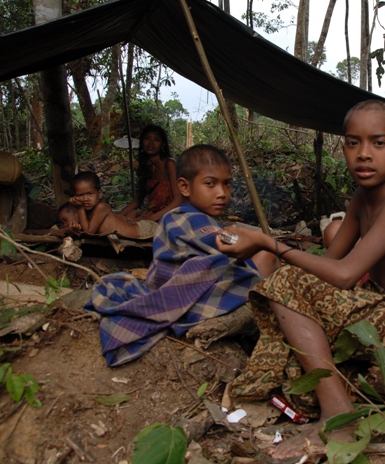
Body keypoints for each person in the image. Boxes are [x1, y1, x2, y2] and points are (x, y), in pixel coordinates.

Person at [215, 100, 385, 460]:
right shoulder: (362, 200)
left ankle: (340, 417)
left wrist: (269, 242)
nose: (364, 154)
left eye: (378, 143)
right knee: (295, 366)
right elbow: (328, 266)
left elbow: (345, 275)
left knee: (287, 285)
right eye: (353, 143)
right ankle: (328, 403)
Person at [85, 144, 275, 366]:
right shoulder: (181, 217)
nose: (222, 193)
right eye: (210, 184)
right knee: (265, 254)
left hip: (195, 289)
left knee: (261, 257)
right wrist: (262, 240)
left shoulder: (199, 217)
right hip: (186, 296)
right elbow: (221, 241)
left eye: (227, 184)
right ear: (184, 187)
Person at [119, 124, 182, 222]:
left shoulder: (169, 164)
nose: (151, 143)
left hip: (168, 215)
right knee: (127, 216)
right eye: (147, 138)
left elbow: (178, 199)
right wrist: (118, 215)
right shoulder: (147, 167)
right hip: (150, 213)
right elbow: (138, 199)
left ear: (162, 144)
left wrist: (152, 218)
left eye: (156, 140)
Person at [69, 171, 158, 239]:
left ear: (99, 193)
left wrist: (80, 208)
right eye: (81, 195)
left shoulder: (101, 207)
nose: (85, 199)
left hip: (144, 231)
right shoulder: (87, 212)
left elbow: (89, 232)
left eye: (89, 194)